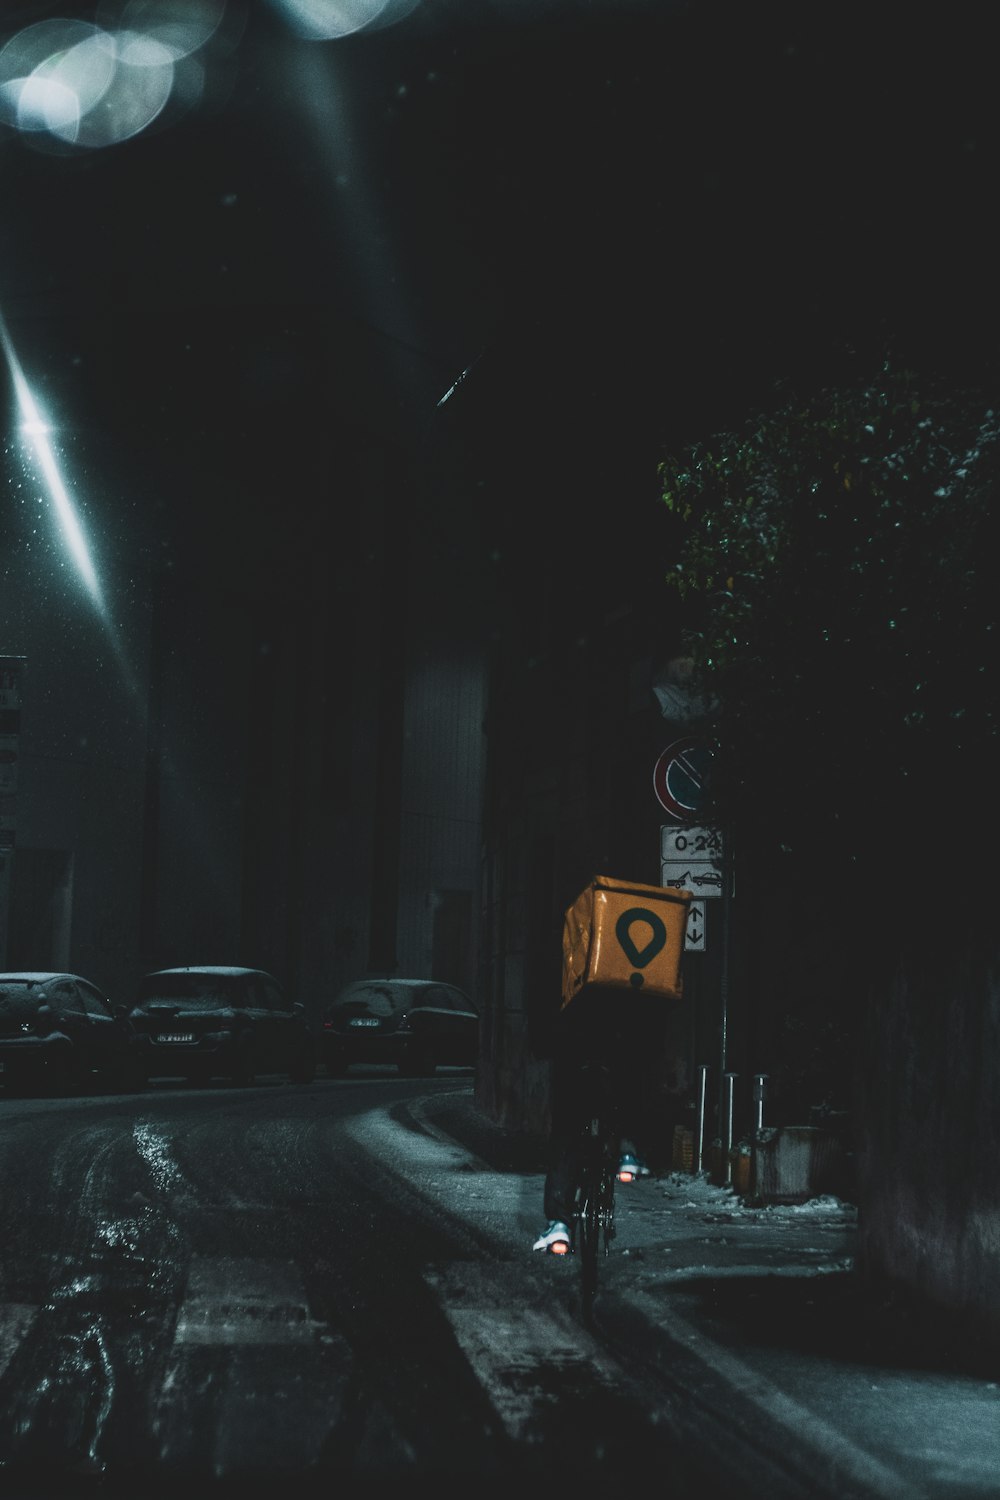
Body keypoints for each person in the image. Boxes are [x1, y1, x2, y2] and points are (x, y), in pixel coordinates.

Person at [531, 983, 665, 1254]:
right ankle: (629, 1152)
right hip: (619, 1036)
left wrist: (543, 1042)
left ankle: (559, 1222)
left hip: (574, 1043)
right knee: (628, 1084)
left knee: (566, 1130)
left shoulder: (572, 950)